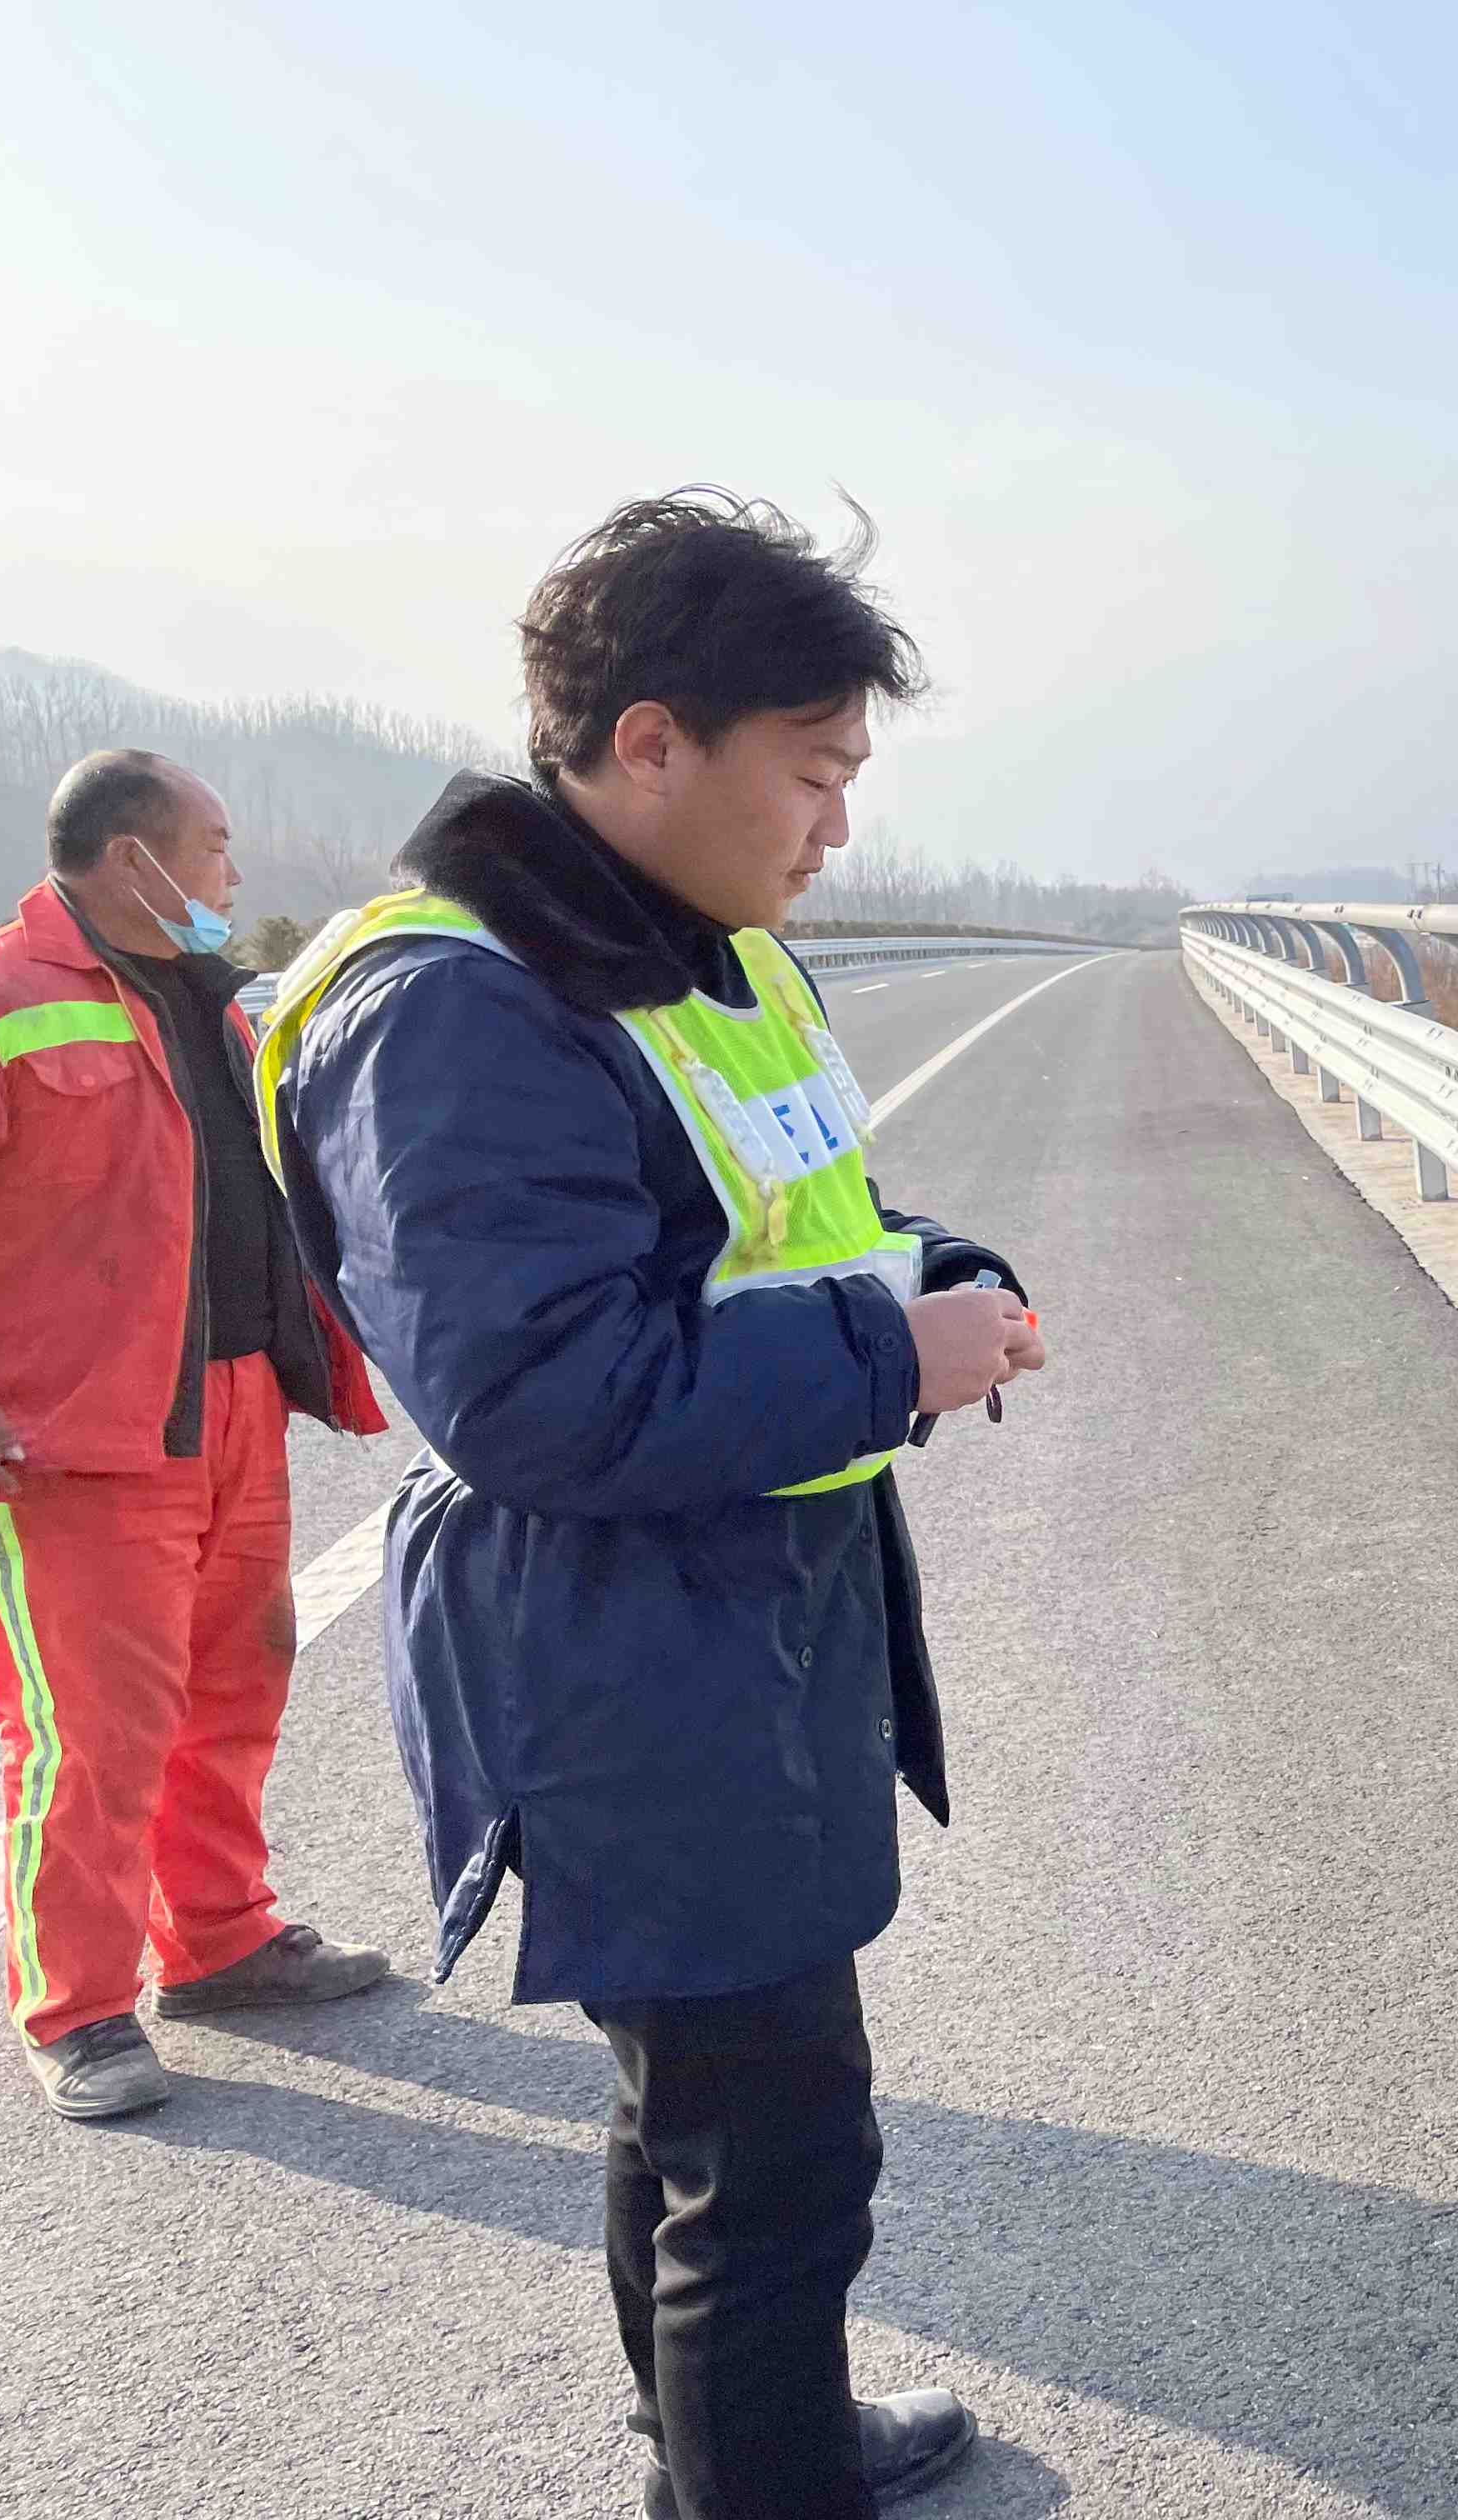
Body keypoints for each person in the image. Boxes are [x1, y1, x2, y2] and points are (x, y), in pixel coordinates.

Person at [256, 492, 1046, 2520]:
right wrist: (895, 1357)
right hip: (621, 1645)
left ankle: (729, 2444)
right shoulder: (456, 1008)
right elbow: (544, 1395)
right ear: (648, 743)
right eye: (817, 771)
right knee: (773, 2151)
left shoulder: (695, 955)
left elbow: (779, 1223)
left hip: (737, 1610)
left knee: (692, 2112)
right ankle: (758, 2470)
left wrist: (931, 1276)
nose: (838, 827)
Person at [0, 750, 391, 2122]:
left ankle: (219, 1939)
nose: (231, 877)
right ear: (132, 857)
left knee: (235, 1685)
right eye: (212, 847)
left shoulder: (209, 1001)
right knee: (93, 1731)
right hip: (77, 1437)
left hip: (230, 1403)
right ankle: (76, 2008)